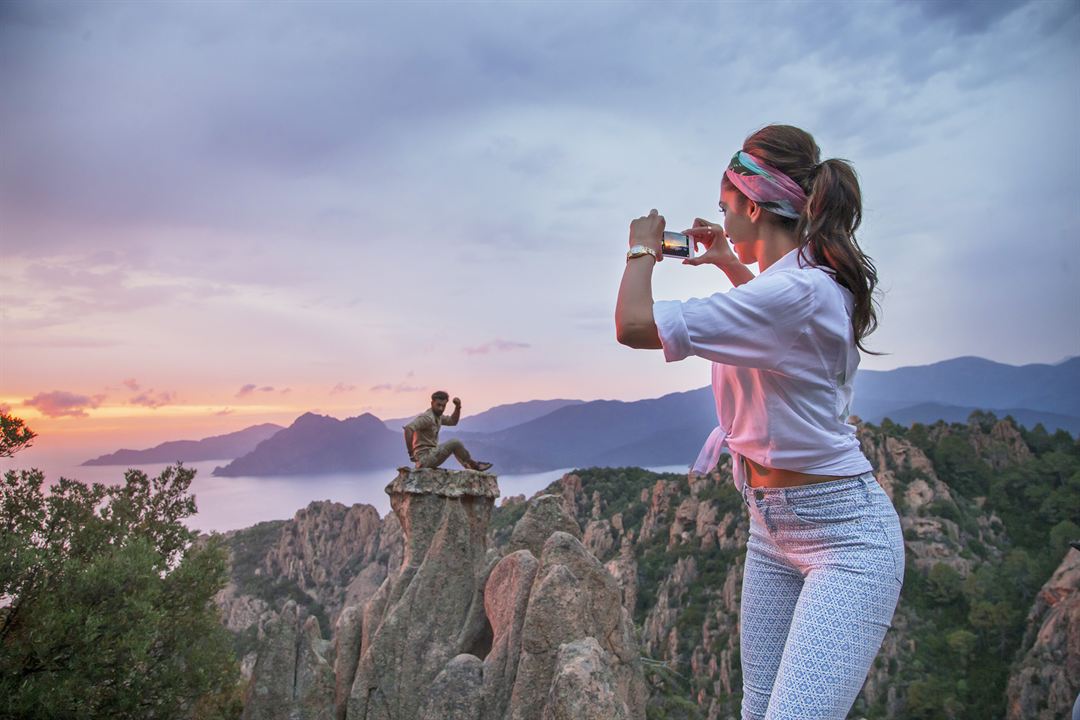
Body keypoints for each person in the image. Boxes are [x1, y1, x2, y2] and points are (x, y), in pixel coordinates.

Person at [615, 124, 904, 720]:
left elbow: (633, 325)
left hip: (845, 541)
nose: (721, 223)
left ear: (753, 204)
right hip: (769, 529)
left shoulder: (796, 293)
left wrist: (641, 248)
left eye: (726, 210)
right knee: (757, 710)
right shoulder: (800, 286)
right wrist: (727, 263)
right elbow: (778, 333)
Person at [403, 391, 492, 472]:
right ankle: (473, 465)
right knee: (454, 443)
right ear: (432, 403)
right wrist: (411, 454)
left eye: (444, 406)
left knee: (455, 444)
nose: (441, 408)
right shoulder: (427, 418)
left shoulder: (438, 416)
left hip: (431, 454)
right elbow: (408, 429)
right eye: (438, 405)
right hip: (424, 458)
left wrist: (458, 407)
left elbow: (453, 421)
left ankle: (470, 465)